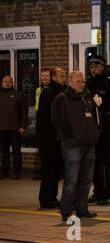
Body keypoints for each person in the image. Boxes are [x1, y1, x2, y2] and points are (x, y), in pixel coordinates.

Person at [51, 71, 101, 221]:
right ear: (70, 82)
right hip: (73, 146)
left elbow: (95, 117)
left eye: (83, 81)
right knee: (72, 180)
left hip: (89, 144)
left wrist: (96, 133)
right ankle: (66, 211)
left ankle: (82, 209)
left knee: (86, 180)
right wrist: (71, 137)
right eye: (78, 81)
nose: (81, 84)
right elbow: (58, 121)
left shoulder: (87, 97)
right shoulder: (61, 99)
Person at [86, 54, 110, 205]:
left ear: (102, 67)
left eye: (96, 66)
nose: (93, 69)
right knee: (96, 161)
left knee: (108, 161)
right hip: (92, 128)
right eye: (91, 66)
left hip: (106, 128)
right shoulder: (89, 84)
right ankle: (98, 192)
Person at [37, 67, 67, 209]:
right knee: (48, 170)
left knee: (56, 170)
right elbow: (43, 119)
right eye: (61, 76)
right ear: (54, 77)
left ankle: (52, 197)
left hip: (58, 139)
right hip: (49, 139)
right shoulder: (47, 93)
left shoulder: (63, 92)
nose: (64, 78)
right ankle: (46, 199)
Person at [0, 75, 28, 179]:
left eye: (9, 82)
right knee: (4, 153)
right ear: (1, 83)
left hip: (15, 129)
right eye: (5, 81)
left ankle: (16, 172)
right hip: (1, 129)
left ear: (12, 83)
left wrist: (23, 126)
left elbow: (24, 111)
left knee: (16, 152)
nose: (7, 83)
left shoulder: (18, 95)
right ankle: (4, 172)